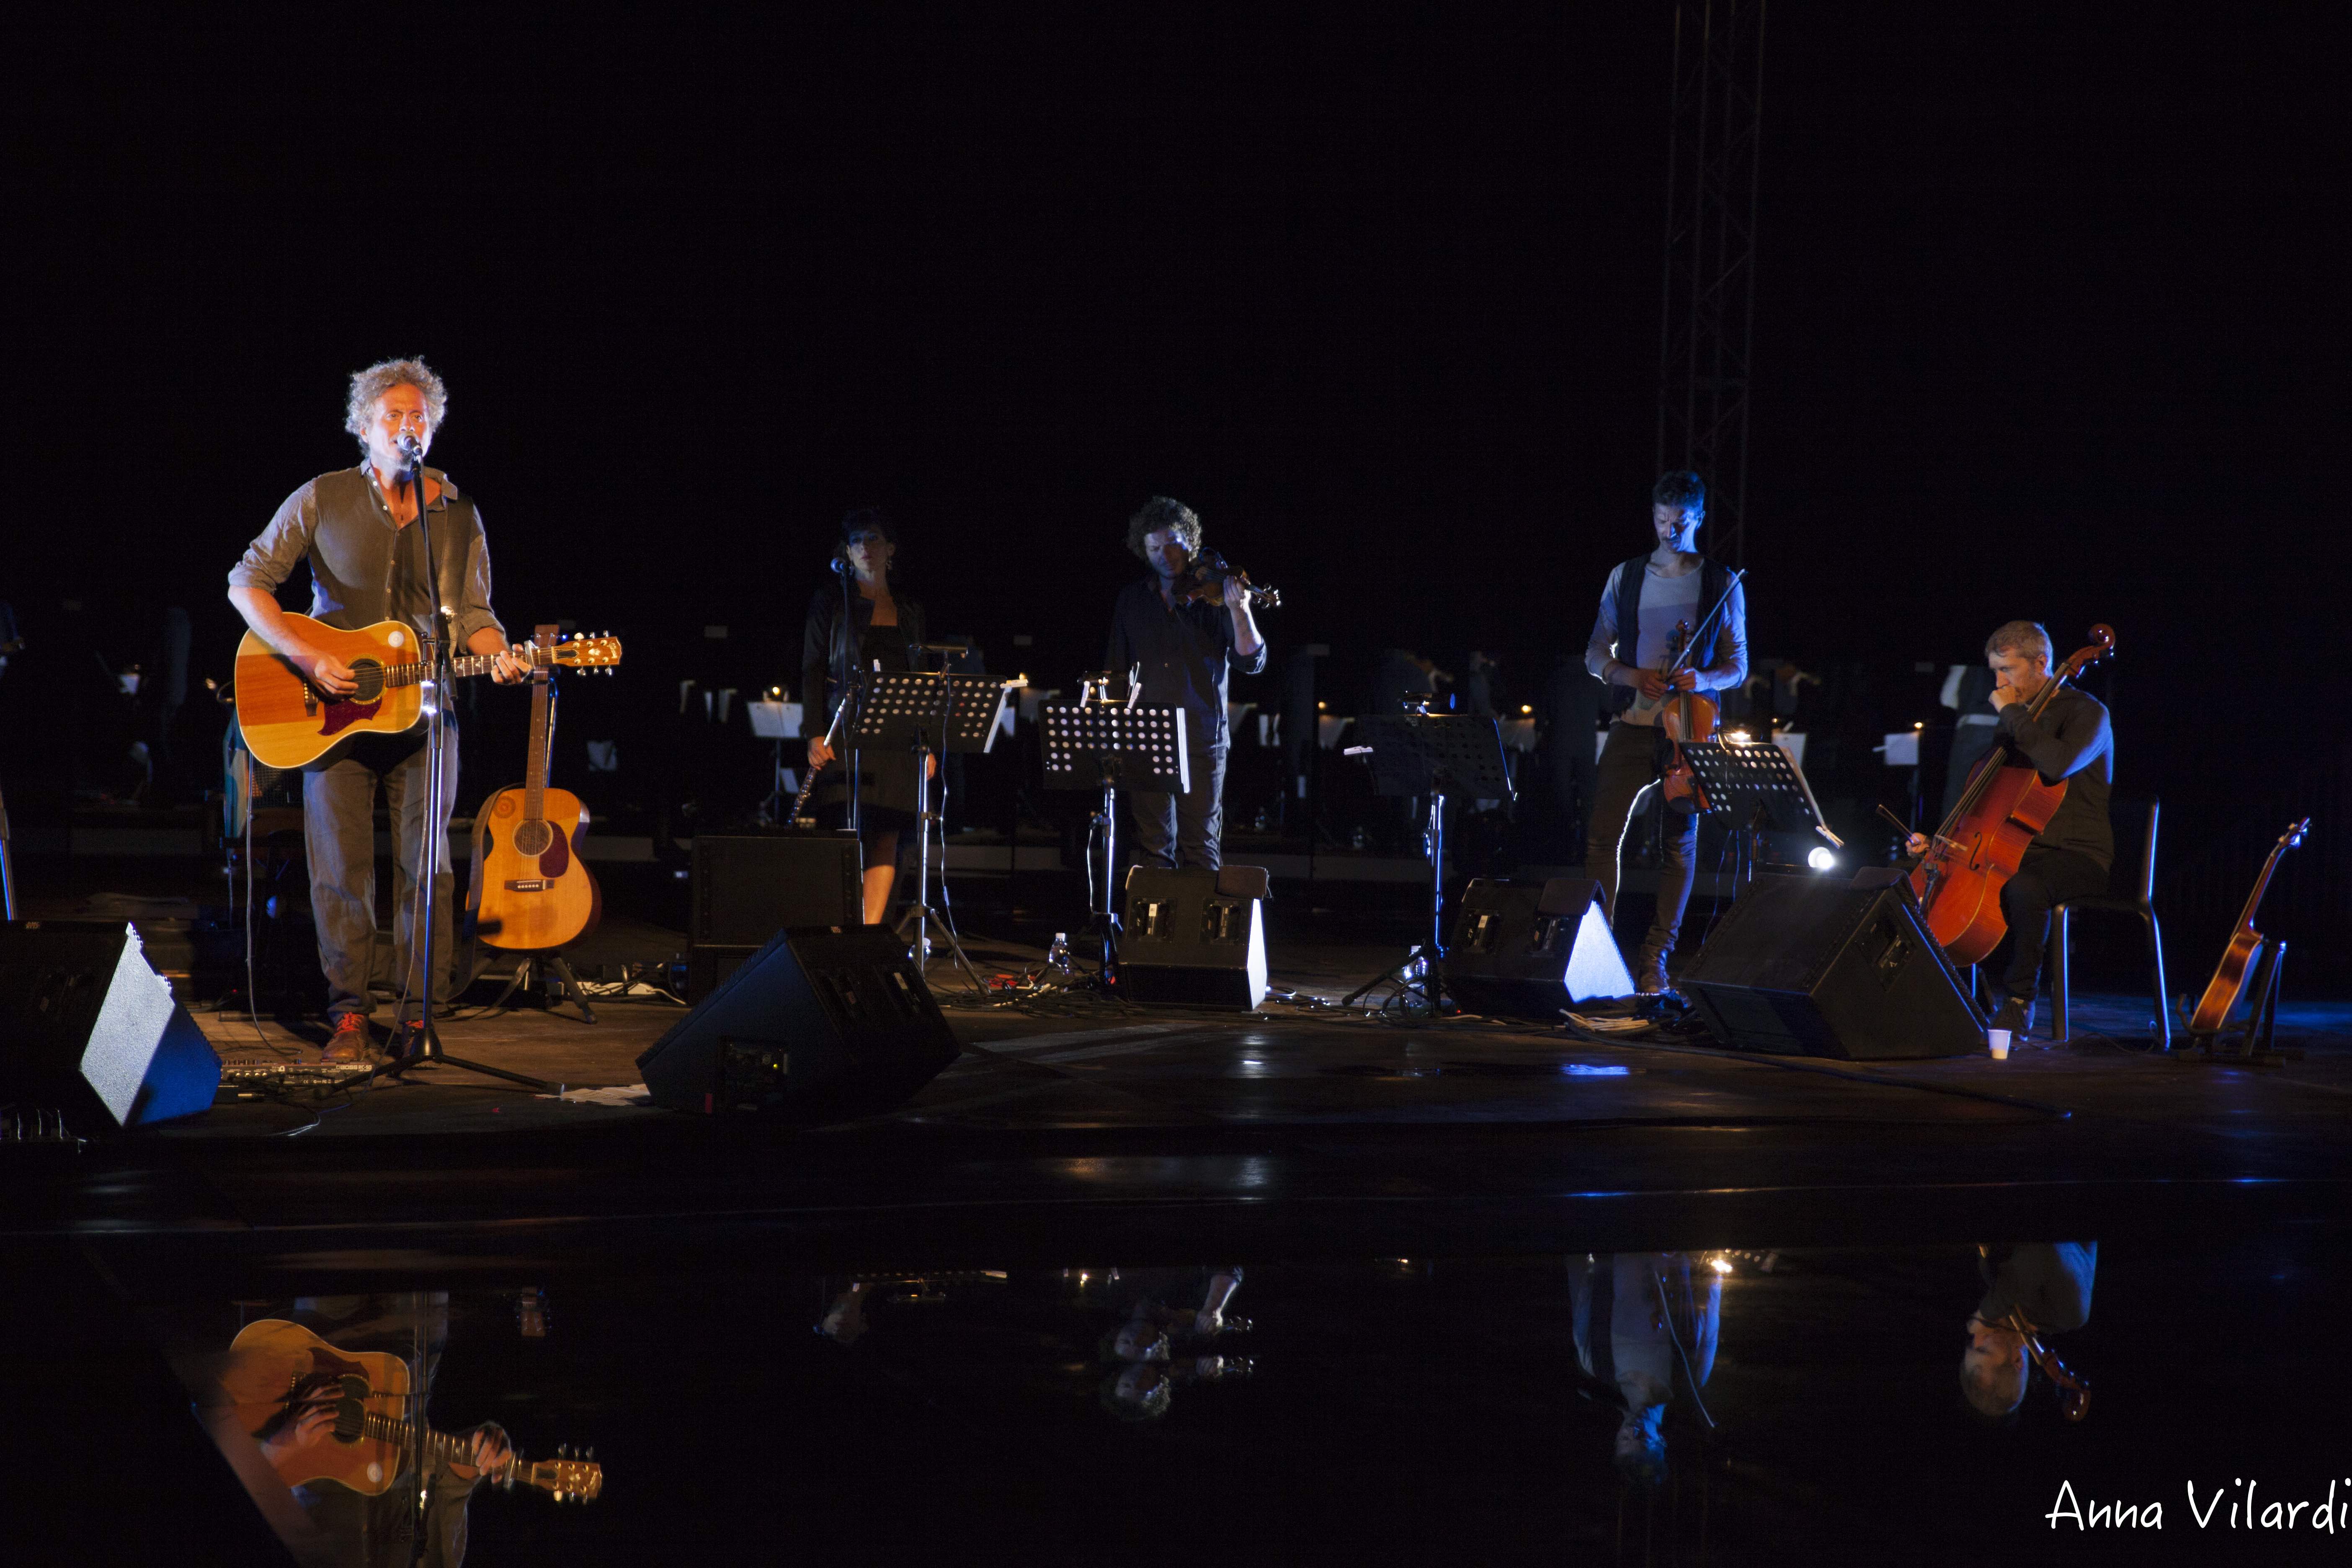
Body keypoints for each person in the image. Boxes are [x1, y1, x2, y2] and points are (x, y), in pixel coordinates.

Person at [227, 359, 529, 1061]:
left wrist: (500, 652)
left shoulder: (457, 514)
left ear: (435, 425)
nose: (406, 426)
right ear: (363, 427)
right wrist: (306, 656)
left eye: (418, 415)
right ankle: (350, 1013)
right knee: (341, 867)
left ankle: (421, 1012)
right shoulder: (322, 496)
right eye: (391, 415)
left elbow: (476, 615)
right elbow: (248, 583)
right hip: (328, 713)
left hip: (426, 712)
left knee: (430, 866)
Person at [1582, 471, 1749, 992]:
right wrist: (1631, 675)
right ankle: (1600, 952)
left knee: (1678, 846)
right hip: (1632, 724)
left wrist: (1701, 677)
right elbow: (1594, 654)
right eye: (1660, 520)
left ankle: (1656, 961)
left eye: (1679, 522)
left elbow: (1738, 664)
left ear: (1698, 517)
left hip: (1690, 732)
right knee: (1602, 837)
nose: (1668, 531)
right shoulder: (1625, 576)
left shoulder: (1721, 581)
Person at [1905, 620, 2112, 1036]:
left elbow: (2056, 764)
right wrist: (1943, 842)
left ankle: (2020, 1000)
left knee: (2023, 888)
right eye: (1995, 671)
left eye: (2008, 670)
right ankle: (1962, 998)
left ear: (2041, 664)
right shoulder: (2017, 720)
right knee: (1916, 881)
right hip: (2017, 848)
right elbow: (1991, 798)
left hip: (2075, 854)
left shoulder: (2087, 713)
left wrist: (2014, 715)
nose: (1999, 683)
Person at [1104, 496, 1266, 870]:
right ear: (1143, 551)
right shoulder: (1131, 600)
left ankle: (1196, 930)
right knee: (1154, 849)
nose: (1166, 555)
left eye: (1173, 544)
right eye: (1155, 547)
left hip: (1201, 738)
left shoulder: (1216, 595)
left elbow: (1252, 660)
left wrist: (1240, 610)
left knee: (1201, 849)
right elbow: (1116, 670)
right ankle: (1156, 930)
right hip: (1145, 737)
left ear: (1190, 542)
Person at [802, 507, 933, 926]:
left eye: (874, 538)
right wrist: (814, 734)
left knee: (887, 834)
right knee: (844, 829)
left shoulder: (910, 608)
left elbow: (923, 678)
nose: (865, 547)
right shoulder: (831, 601)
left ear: (890, 549)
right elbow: (813, 669)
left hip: (896, 734)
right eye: (857, 540)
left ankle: (869, 931)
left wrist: (926, 743)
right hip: (845, 728)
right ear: (847, 550)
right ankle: (837, 926)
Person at [1960, 1243, 2097, 1420]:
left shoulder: (1993, 1283)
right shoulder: (2069, 1313)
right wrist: (1986, 1312)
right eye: (1985, 1350)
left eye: (1972, 1345)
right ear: (2017, 1361)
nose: (1977, 1336)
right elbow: (2041, 1250)